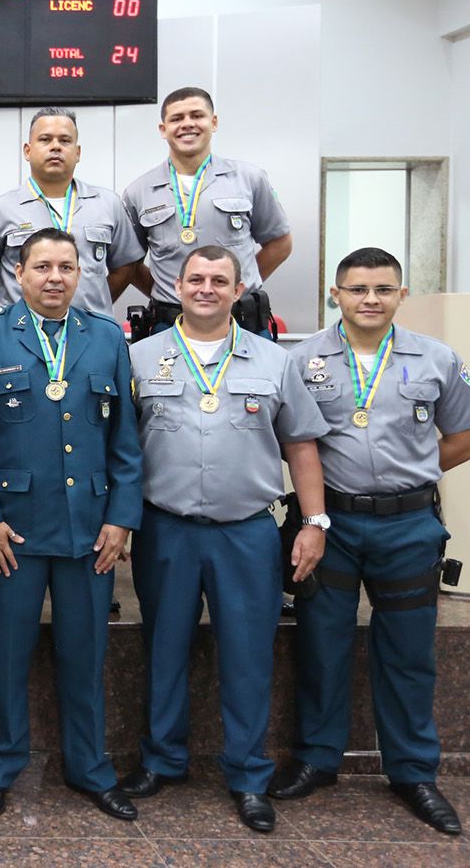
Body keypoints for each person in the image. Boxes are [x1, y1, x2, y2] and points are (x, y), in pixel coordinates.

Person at [269, 247, 470, 834]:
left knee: (409, 654)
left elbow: (467, 437)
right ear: (334, 294)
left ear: (400, 296)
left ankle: (414, 772)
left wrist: (410, 473)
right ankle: (317, 760)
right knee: (322, 645)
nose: (370, 299)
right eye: (358, 288)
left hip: (408, 526)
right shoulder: (303, 360)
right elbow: (296, 443)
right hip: (330, 525)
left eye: (383, 289)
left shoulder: (437, 358)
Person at [121, 246, 329, 834]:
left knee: (247, 654)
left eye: (219, 280)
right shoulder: (138, 358)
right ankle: (163, 760)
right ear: (176, 287)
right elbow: (121, 448)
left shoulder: (274, 359)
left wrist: (315, 523)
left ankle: (248, 774)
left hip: (247, 533)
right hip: (166, 529)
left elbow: (302, 446)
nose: (206, 288)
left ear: (239, 290)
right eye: (196, 279)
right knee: (164, 648)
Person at [0, 228, 142, 823]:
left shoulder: (107, 338)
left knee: (85, 654)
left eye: (67, 266)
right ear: (19, 271)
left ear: (83, 272)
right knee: (5, 653)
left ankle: (89, 768)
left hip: (90, 530)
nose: (56, 277)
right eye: (42, 267)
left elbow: (126, 443)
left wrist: (121, 517)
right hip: (12, 529)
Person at [122, 87, 292, 338]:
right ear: (163, 129)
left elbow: (279, 244)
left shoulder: (249, 179)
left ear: (213, 123)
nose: (187, 124)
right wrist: (173, 294)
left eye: (197, 115)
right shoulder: (139, 191)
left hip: (243, 323)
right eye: (177, 118)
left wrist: (236, 287)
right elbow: (130, 263)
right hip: (170, 323)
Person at [0, 108, 142, 319]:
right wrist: (6, 315)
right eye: (45, 140)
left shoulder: (108, 203)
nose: (55, 146)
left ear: (78, 152)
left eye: (65, 141)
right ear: (27, 151)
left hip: (91, 334)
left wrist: (95, 307)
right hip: (21, 334)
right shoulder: (0, 210)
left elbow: (126, 265)